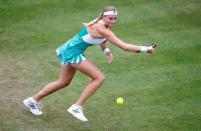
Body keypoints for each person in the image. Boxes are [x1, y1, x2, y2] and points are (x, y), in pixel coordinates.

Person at [23, 5, 156, 122]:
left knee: (63, 82)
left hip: (69, 50)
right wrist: (146, 49)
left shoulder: (102, 25)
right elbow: (124, 47)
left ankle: (32, 100)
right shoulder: (102, 28)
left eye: (115, 18)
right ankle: (77, 107)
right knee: (99, 77)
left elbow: (102, 40)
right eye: (110, 18)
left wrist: (107, 51)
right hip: (72, 53)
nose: (113, 21)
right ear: (104, 17)